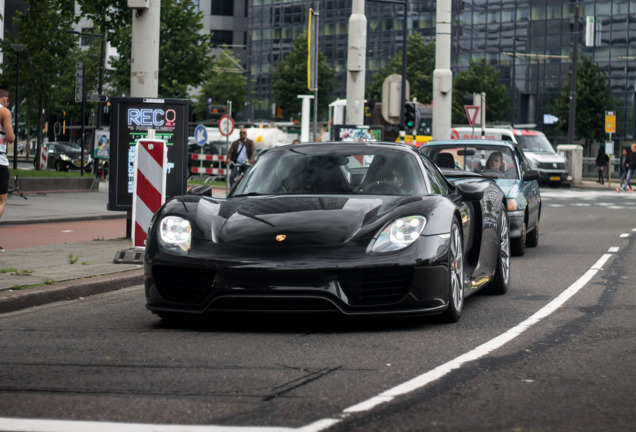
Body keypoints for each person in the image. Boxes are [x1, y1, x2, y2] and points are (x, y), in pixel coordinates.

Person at [0, 84, 16, 252]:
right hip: (0, 162)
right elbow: (10, 137)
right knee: (1, 201)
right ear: (5, 98)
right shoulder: (4, 112)